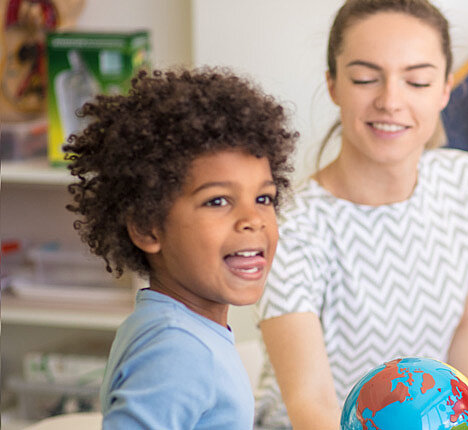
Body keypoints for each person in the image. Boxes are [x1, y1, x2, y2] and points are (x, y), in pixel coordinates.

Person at [253, 1, 468, 429]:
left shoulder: (463, 182)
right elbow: (309, 406)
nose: (391, 101)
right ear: (334, 85)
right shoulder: (293, 228)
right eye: (365, 78)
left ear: (445, 89)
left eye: (417, 80)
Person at [64, 67, 297, 428]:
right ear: (147, 227)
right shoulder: (178, 349)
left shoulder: (170, 326)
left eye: (264, 197)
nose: (253, 219)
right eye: (218, 201)